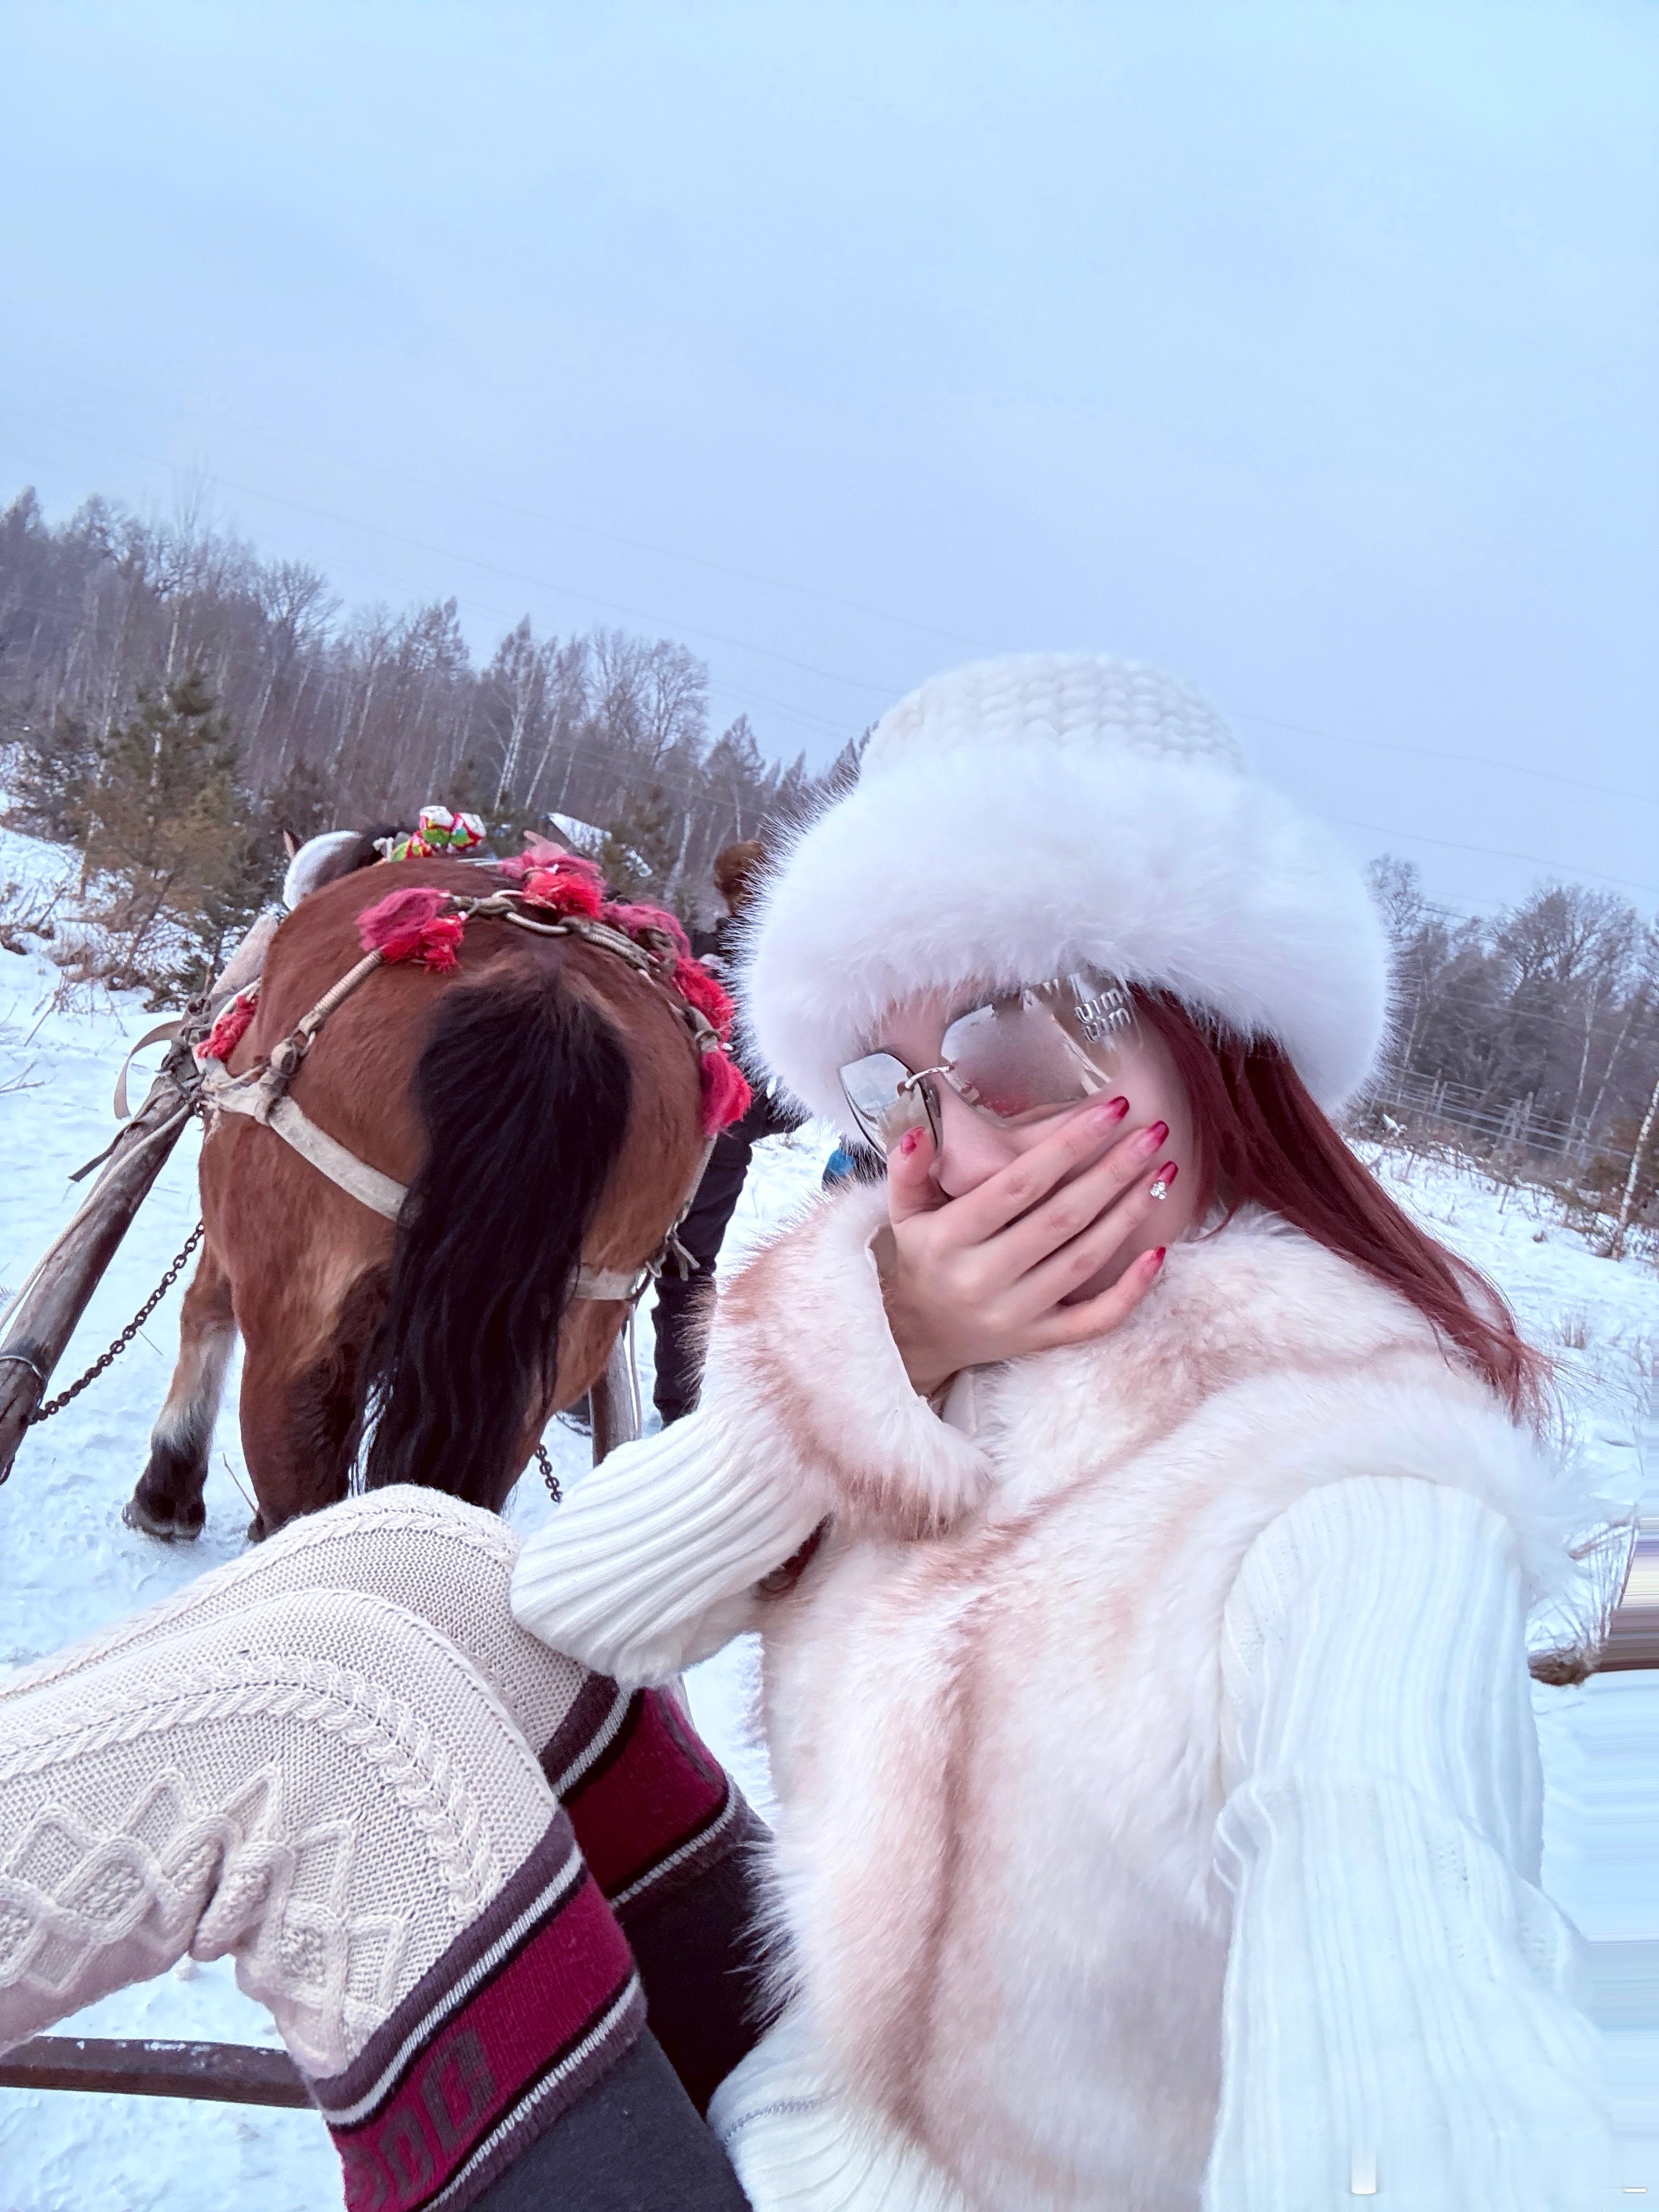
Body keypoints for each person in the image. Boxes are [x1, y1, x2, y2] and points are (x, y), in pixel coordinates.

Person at [0, 654, 1615, 2211]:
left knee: (317, 1731)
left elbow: (1424, 2039)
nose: (952, 1152)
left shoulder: (1348, 1503)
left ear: (1211, 1031)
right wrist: (878, 1350)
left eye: (1001, 1049)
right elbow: (573, 1613)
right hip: (818, 2095)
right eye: (896, 1088)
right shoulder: (962, 1339)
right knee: (414, 1563)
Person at [651, 838, 803, 1426]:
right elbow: (792, 1093)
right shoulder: (783, 976)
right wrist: (748, 1121)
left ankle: (594, 1390)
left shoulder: (685, 952)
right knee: (688, 1273)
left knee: (605, 1253)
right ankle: (679, 1408)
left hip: (656, 1125)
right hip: (719, 1143)